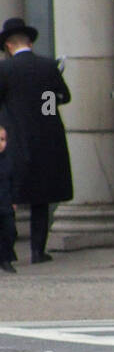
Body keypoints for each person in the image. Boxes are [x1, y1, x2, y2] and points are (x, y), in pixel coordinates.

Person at [0, 16, 72, 265]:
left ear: (9, 45)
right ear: (29, 42)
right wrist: (46, 108)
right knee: (40, 199)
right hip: (44, 139)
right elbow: (61, 96)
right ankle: (38, 252)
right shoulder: (47, 66)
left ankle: (8, 251)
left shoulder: (5, 69)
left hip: (13, 139)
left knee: (7, 196)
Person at [0, 124, 15, 273]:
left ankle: (6, 257)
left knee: (10, 231)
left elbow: (13, 181)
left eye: (3, 139)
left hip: (6, 202)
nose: (1, 143)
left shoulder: (8, 160)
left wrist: (14, 200)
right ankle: (5, 260)